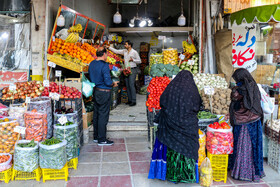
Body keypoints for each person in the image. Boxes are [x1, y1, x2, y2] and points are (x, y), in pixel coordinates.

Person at [148, 70, 201, 183]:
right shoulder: (192, 90)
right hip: (188, 125)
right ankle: (187, 175)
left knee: (171, 146)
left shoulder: (172, 88)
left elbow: (162, 101)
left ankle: (171, 173)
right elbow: (197, 106)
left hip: (170, 123)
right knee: (188, 147)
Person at [227, 68, 265, 182]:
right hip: (255, 120)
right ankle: (254, 173)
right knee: (253, 148)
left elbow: (235, 100)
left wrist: (234, 89)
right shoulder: (254, 85)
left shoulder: (239, 89)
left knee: (244, 148)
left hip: (244, 123)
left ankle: (242, 172)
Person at [88, 47, 119, 146]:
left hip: (96, 91)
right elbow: (107, 81)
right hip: (104, 92)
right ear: (104, 54)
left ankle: (96, 137)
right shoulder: (105, 65)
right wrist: (113, 83)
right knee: (103, 116)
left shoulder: (92, 63)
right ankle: (102, 139)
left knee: (96, 114)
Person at [108, 41, 141, 106]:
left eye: (126, 44)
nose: (124, 46)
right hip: (126, 70)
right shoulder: (124, 51)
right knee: (127, 85)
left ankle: (133, 101)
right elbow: (116, 51)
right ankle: (129, 100)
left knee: (131, 85)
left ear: (129, 45)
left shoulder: (134, 52)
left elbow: (139, 61)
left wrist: (133, 60)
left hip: (132, 69)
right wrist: (109, 47)